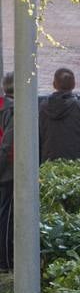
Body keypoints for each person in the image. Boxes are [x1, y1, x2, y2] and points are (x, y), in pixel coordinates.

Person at [39, 67, 80, 161]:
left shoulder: (42, 109)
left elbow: (37, 141)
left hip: (49, 165)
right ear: (74, 85)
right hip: (79, 165)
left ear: (54, 84)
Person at [0, 73, 13, 272]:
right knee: (6, 217)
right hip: (7, 173)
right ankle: (5, 262)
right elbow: (8, 145)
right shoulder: (13, 110)